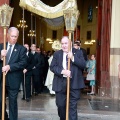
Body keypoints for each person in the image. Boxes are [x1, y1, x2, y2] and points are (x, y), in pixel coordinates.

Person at [50, 36, 86, 120]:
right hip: (60, 83)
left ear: (70, 43)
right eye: (62, 43)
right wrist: (63, 71)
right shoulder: (57, 54)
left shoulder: (78, 52)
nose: (64, 45)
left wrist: (73, 58)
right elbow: (52, 67)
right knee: (61, 105)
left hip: (74, 84)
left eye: (66, 43)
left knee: (72, 107)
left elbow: (83, 65)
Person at [0, 27, 27, 120]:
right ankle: (4, 116)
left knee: (12, 102)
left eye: (16, 36)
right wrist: (0, 56)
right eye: (12, 36)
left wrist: (10, 67)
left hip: (13, 80)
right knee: (0, 101)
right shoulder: (1, 46)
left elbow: (23, 63)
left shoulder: (21, 49)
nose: (14, 38)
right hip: (1, 79)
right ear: (7, 35)